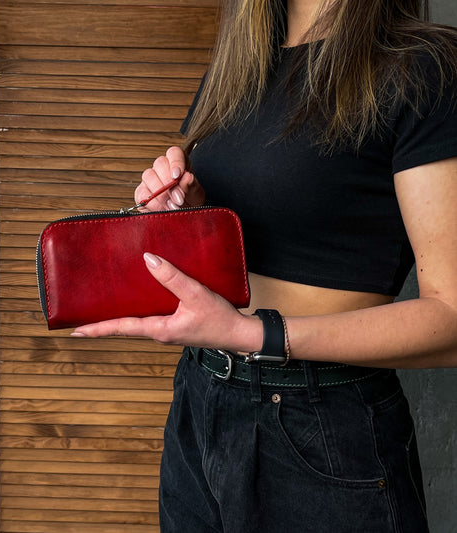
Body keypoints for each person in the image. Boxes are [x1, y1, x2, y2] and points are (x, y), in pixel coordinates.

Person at [71, 0, 457, 531]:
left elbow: (451, 320)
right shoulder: (238, 67)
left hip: (318, 423)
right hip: (201, 396)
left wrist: (255, 335)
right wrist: (183, 208)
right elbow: (247, 229)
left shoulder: (424, 67)